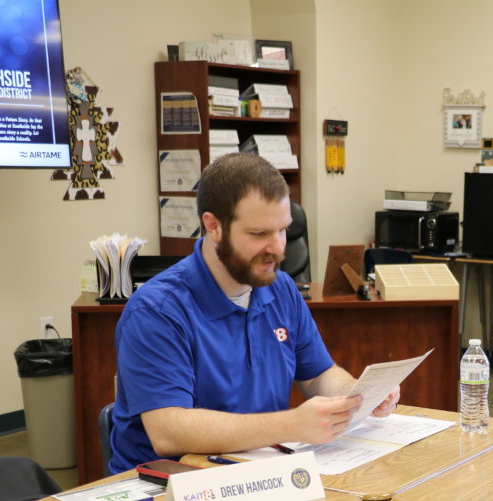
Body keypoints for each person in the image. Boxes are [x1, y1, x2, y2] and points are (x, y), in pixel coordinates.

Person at [109, 153, 398, 473]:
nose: (277, 248)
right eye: (259, 234)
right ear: (214, 226)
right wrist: (292, 425)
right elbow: (168, 431)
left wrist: (356, 396)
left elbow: (317, 374)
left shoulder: (281, 289)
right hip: (164, 490)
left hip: (257, 473)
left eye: (283, 230)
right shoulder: (157, 311)